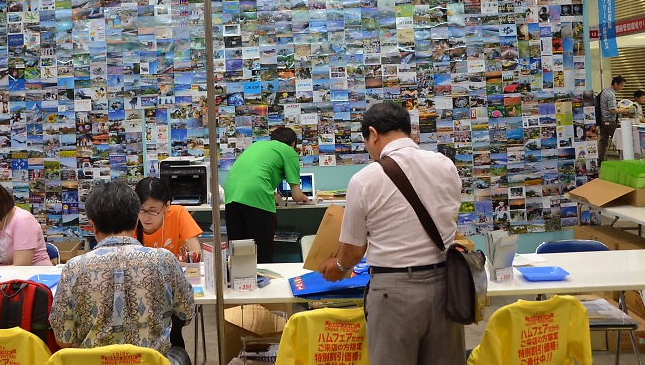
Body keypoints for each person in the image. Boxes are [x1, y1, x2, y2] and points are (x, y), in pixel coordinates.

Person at [318, 101, 463, 365]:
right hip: (447, 286)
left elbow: (354, 251)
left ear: (373, 134)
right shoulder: (446, 165)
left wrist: (338, 266)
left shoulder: (365, 180)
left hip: (394, 293)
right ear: (408, 130)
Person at [50, 181, 194, 365]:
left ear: (93, 226)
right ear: (135, 221)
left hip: (95, 363)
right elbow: (186, 313)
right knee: (179, 353)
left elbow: (63, 338)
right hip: (150, 362)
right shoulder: (164, 260)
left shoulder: (74, 268)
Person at [134, 177, 203, 350]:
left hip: (169, 292)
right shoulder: (130, 219)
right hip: (139, 291)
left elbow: (195, 255)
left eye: (153, 211)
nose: (146, 217)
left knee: (174, 320)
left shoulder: (178, 213)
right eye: (141, 209)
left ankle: (172, 352)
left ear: (167, 206)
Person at [223, 127, 310, 263]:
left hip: (231, 195)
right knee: (262, 253)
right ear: (293, 143)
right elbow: (296, 196)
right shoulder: (289, 152)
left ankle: (240, 277)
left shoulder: (257, 146)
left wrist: (274, 196)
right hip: (257, 198)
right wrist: (305, 197)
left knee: (238, 253)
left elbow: (253, 176)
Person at [598, 76, 630, 163]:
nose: (621, 88)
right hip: (610, 121)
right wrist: (622, 110)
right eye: (621, 86)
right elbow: (612, 110)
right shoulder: (611, 95)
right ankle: (624, 159)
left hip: (603, 120)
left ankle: (600, 159)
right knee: (618, 140)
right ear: (615, 83)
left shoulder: (605, 91)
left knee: (603, 141)